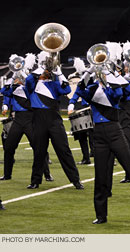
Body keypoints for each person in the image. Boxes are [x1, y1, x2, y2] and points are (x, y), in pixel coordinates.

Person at [75, 64, 130, 225]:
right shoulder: (91, 89)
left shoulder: (113, 90)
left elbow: (121, 91)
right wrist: (89, 71)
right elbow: (79, 90)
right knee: (100, 176)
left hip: (114, 132)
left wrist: (111, 75)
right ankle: (101, 215)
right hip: (98, 134)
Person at [25, 57, 84, 190]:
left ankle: (76, 180)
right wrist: (42, 67)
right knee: (39, 152)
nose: (46, 73)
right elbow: (28, 80)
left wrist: (57, 70)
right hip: (38, 119)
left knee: (64, 150)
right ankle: (35, 181)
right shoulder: (33, 85)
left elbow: (67, 90)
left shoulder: (54, 84)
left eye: (48, 71)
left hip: (54, 120)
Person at [0, 76, 53, 181]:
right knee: (9, 147)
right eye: (15, 79)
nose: (16, 80)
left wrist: (23, 82)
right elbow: (3, 91)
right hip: (18, 120)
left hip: (30, 119)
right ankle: (7, 174)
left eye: (17, 79)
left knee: (38, 147)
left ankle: (47, 174)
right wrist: (11, 80)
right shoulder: (14, 90)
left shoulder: (29, 89)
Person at [67, 73, 94, 165]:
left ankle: (104, 156)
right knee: (81, 135)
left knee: (96, 135)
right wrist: (71, 105)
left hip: (95, 112)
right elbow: (75, 95)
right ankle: (86, 158)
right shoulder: (81, 87)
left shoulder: (94, 84)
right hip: (83, 111)